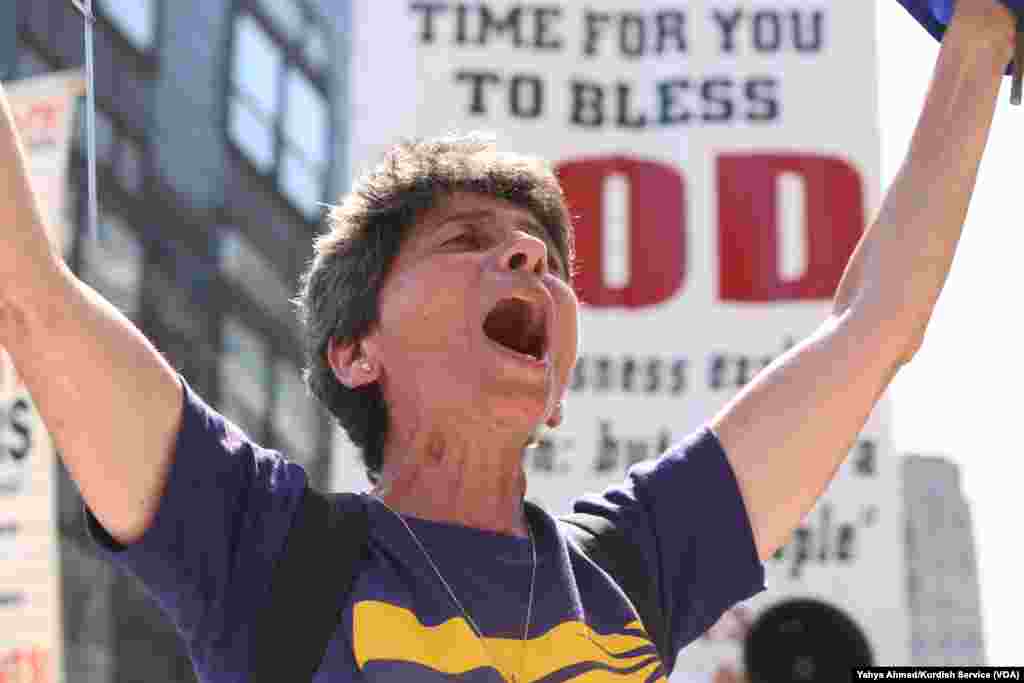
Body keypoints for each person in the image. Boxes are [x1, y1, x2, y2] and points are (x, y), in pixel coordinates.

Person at [0, 1, 1014, 681]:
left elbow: (874, 326)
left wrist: (977, 27)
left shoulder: (637, 562)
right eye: (467, 241)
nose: (528, 259)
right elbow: (30, 298)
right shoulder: (261, 546)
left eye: (547, 259)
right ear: (357, 348)